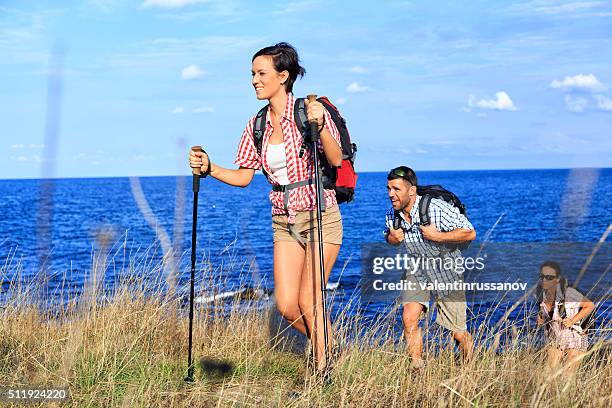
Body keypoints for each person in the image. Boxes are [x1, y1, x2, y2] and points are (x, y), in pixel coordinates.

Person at [188, 43, 343, 374]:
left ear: (283, 76)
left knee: (309, 301)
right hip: (283, 220)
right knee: (287, 305)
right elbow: (245, 176)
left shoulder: (310, 112)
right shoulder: (256, 125)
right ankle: (327, 345)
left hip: (320, 215)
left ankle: (322, 372)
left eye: (261, 74)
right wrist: (209, 167)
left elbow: (335, 159)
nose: (255, 81)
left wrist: (322, 127)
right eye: (252, 74)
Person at [384, 166, 476, 368]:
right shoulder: (393, 213)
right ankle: (417, 368)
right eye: (389, 188)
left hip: (447, 268)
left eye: (396, 189)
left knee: (457, 332)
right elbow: (390, 238)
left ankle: (469, 370)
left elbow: (470, 233)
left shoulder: (435, 208)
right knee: (409, 320)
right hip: (417, 268)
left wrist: (438, 236)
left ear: (411, 190)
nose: (391, 194)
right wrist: (392, 238)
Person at [536, 261, 595, 375]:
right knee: (548, 374)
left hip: (575, 337)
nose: (544, 280)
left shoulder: (569, 293)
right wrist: (541, 317)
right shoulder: (542, 294)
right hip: (555, 337)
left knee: (567, 376)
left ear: (557, 279)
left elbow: (590, 305)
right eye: (542, 276)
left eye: (549, 277)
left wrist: (572, 320)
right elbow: (546, 312)